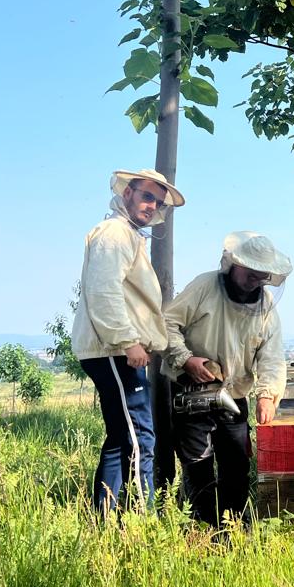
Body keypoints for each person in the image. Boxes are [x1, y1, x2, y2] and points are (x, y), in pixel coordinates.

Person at [72, 169, 185, 515]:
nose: (152, 206)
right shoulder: (115, 233)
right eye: (147, 196)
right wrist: (128, 340)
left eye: (158, 202)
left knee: (121, 438)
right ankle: (141, 521)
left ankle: (104, 520)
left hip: (116, 349)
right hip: (115, 350)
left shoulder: (128, 236)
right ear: (127, 194)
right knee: (140, 438)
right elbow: (103, 290)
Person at [163, 231, 291, 526]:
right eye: (250, 274)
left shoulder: (265, 305)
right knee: (199, 465)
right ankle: (204, 529)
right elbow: (167, 323)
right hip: (192, 392)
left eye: (261, 276)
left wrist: (267, 395)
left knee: (236, 465)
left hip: (233, 397)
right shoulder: (205, 286)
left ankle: (233, 527)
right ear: (233, 265)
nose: (255, 281)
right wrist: (186, 359)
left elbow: (271, 354)